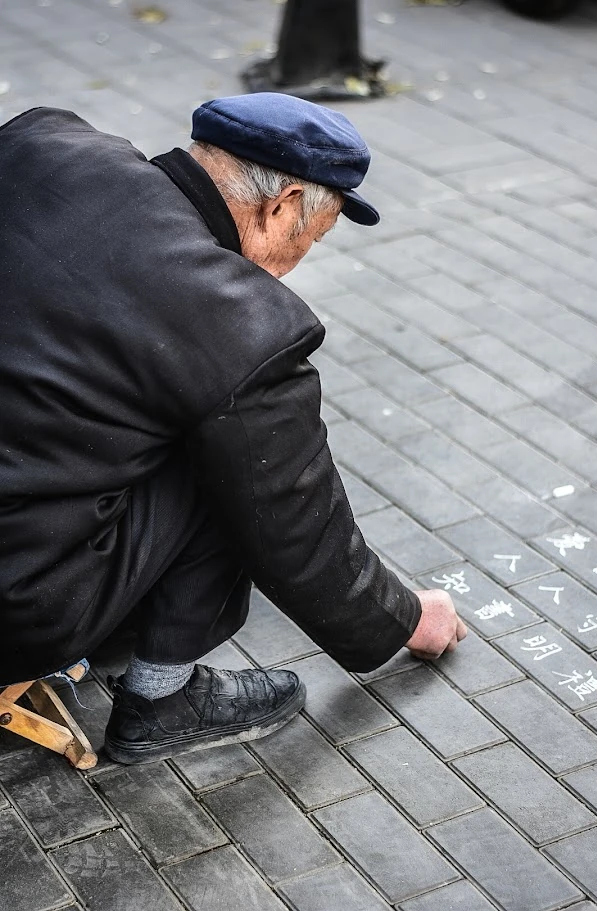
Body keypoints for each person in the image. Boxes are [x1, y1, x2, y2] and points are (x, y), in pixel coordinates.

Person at [0, 93, 466, 764]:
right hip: (17, 596)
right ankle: (164, 697)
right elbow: (296, 525)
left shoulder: (44, 145)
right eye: (313, 235)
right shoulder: (235, 323)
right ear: (280, 207)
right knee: (236, 451)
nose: (301, 257)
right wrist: (403, 618)